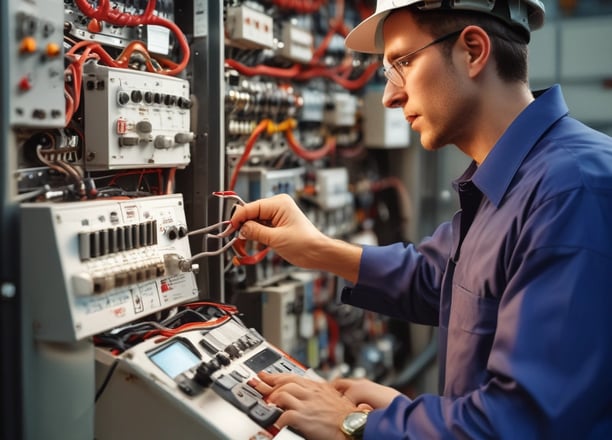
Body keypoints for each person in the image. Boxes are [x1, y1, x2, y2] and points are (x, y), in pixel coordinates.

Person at [228, 0, 612, 438]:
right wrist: (317, 249)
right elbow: (440, 280)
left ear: (472, 50)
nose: (391, 95)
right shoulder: (516, 179)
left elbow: (522, 422)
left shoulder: (573, 191)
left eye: (402, 63)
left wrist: (357, 425)